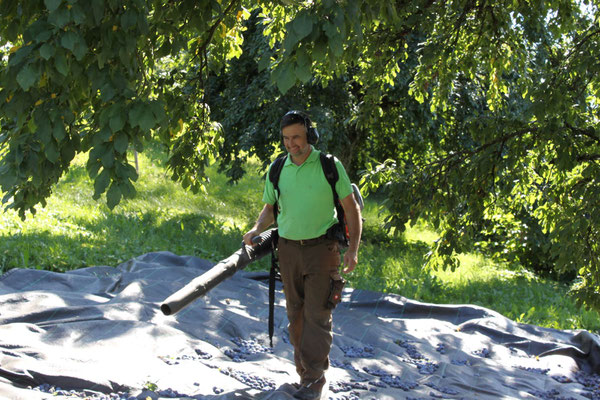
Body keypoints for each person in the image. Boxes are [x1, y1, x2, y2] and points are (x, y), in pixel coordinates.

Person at [243, 111, 362, 400]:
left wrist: (354, 250)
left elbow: (351, 209)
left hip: (322, 251)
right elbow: (270, 208)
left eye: (296, 137)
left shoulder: (328, 165)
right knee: (295, 317)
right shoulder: (278, 168)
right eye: (286, 138)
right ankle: (305, 375)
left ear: (309, 135)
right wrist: (257, 229)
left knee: (317, 316)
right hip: (288, 251)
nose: (291, 144)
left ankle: (314, 380)